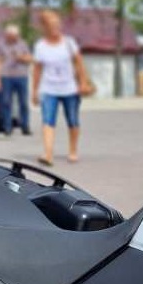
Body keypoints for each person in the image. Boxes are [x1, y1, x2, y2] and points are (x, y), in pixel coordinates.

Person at [30, 9, 92, 166]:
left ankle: (73, 150)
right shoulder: (40, 46)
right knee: (47, 121)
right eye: (51, 25)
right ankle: (48, 154)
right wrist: (34, 91)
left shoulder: (69, 43)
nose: (55, 28)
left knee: (73, 120)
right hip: (48, 89)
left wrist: (83, 82)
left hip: (69, 88)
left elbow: (79, 63)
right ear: (45, 27)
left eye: (57, 24)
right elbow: (37, 70)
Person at [0, 23, 32, 137]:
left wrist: (20, 57)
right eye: (10, 36)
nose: (13, 38)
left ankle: (25, 126)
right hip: (6, 76)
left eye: (15, 36)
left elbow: (29, 59)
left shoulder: (23, 44)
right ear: (7, 35)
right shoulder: (1, 44)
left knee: (23, 103)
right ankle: (7, 127)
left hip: (21, 76)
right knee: (6, 102)